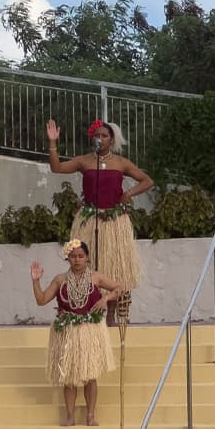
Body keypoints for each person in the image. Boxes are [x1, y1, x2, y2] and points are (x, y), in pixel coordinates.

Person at [46, 118, 152, 334]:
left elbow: (147, 181)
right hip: (89, 220)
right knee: (89, 266)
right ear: (91, 139)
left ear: (111, 140)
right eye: (97, 136)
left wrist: (128, 194)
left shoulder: (121, 162)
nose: (100, 139)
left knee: (113, 267)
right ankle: (86, 312)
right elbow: (56, 168)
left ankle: (110, 316)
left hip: (114, 222)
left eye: (105, 136)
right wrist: (53, 143)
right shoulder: (85, 161)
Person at [30, 240, 124, 427]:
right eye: (73, 256)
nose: (77, 260)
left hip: (90, 329)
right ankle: (70, 416)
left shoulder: (95, 277)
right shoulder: (60, 279)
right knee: (69, 375)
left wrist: (106, 298)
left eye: (81, 256)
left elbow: (119, 288)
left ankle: (90, 416)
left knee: (90, 374)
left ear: (87, 257)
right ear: (68, 258)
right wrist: (35, 281)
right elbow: (41, 300)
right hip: (67, 331)